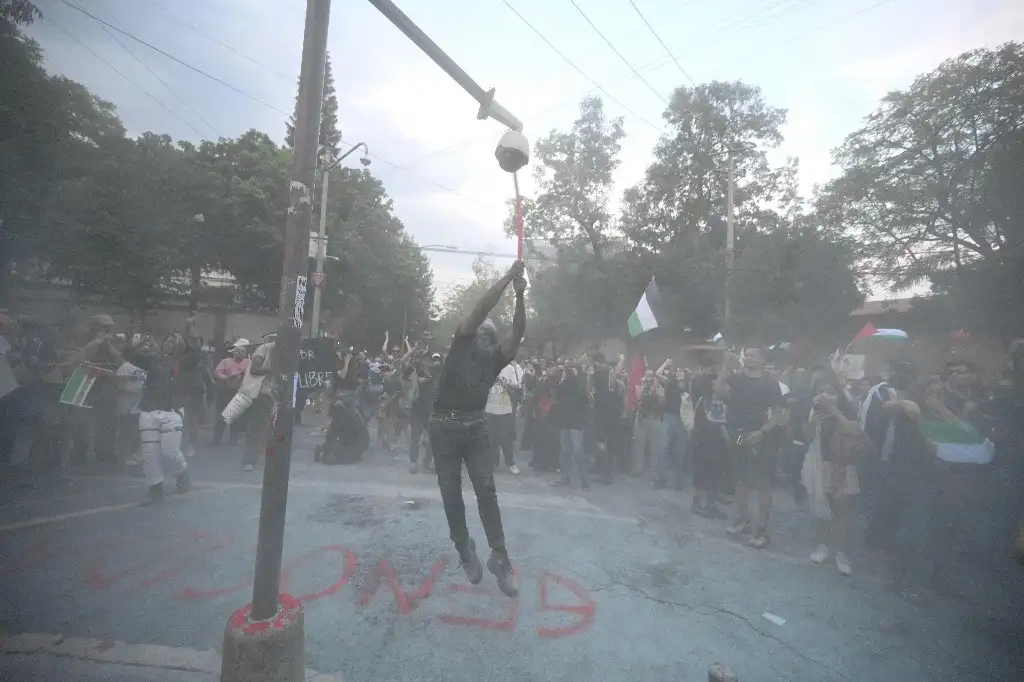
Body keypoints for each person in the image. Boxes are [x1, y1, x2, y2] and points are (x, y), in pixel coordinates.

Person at [429, 260, 527, 598]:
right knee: (450, 490)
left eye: (490, 337)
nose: (485, 340)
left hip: (475, 425)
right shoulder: (461, 342)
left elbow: (518, 333)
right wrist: (508, 277)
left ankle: (500, 556)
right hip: (443, 425)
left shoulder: (496, 358)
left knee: (486, 489)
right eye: (481, 334)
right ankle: (463, 547)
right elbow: (482, 307)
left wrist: (521, 295)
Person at [715, 346, 785, 549]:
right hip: (738, 437)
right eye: (746, 354)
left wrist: (762, 432)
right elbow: (718, 390)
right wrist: (725, 363)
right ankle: (742, 519)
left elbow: (777, 415)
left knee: (762, 484)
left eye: (754, 354)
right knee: (740, 479)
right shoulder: (736, 379)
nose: (749, 357)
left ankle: (762, 529)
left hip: (760, 439)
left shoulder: (771, 384)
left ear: (763, 359)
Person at [124, 334, 191, 506]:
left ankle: (182, 471)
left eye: (174, 341)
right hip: (149, 409)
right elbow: (129, 356)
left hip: (172, 410)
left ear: (181, 346)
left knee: (170, 452)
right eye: (167, 340)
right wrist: (138, 340)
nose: (169, 342)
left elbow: (193, 353)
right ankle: (155, 488)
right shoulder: (153, 359)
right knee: (149, 453)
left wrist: (189, 327)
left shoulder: (185, 362)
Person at [242, 335, 277, 472]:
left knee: (266, 428)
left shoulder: (288, 353)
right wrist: (273, 369)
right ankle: (250, 459)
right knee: (257, 427)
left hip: (275, 395)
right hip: (261, 393)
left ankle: (257, 456)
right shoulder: (264, 349)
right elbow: (254, 370)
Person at [486, 349, 523, 476]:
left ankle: (510, 463)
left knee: (505, 438)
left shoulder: (510, 369)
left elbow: (517, 387)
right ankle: (492, 462)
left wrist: (503, 382)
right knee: (490, 438)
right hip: (489, 408)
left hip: (505, 408)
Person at [213, 340, 251, 445]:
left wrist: (242, 376)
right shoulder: (225, 361)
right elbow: (217, 372)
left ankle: (234, 439)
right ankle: (217, 439)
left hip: (239, 393)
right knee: (222, 416)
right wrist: (226, 378)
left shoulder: (248, 362)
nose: (239, 353)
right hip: (225, 392)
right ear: (233, 352)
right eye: (237, 351)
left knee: (236, 418)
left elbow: (250, 375)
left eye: (242, 351)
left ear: (245, 353)